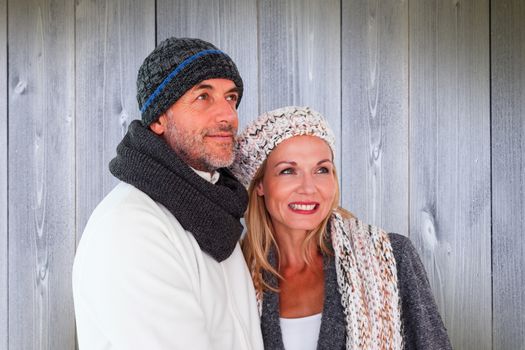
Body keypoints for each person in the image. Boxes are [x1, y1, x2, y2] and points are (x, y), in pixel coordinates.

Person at [72, 37, 263, 350]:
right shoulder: (132, 229)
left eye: (231, 97)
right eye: (203, 96)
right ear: (159, 119)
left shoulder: (215, 212)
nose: (227, 115)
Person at [230, 106, 452, 350]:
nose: (309, 187)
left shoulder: (392, 257)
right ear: (260, 184)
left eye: (321, 170)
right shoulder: (236, 275)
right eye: (288, 171)